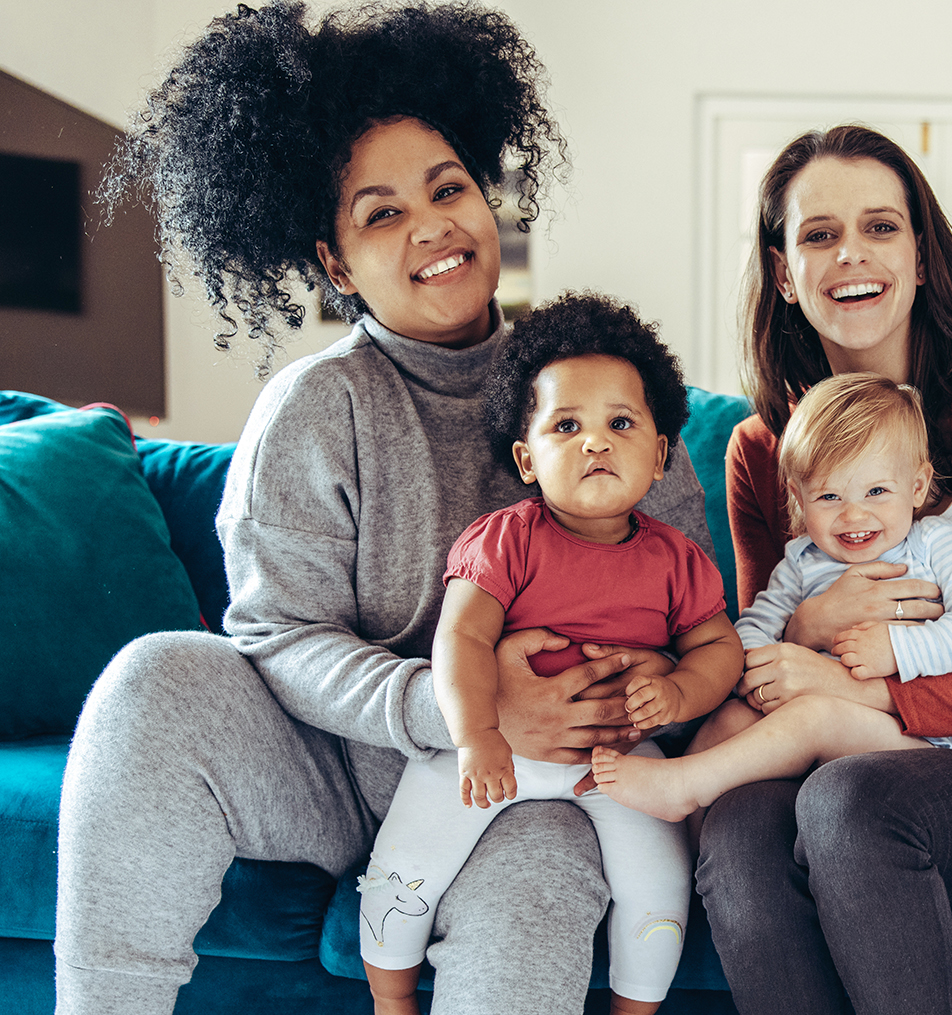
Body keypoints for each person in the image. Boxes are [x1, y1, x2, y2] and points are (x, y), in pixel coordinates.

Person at [58, 5, 711, 1013]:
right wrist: (458, 707)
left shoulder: (604, 394)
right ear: (332, 262)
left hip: (537, 786)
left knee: (543, 864)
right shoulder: (318, 408)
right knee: (153, 682)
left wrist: (649, 681)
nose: (431, 226)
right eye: (381, 213)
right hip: (342, 764)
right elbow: (276, 633)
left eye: (447, 189)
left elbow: (691, 613)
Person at [700, 123, 952, 1015]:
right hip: (829, 756)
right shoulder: (758, 450)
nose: (851, 253)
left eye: (880, 227)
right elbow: (762, 655)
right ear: (782, 272)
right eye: (818, 234)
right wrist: (809, 629)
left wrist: (870, 687)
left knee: (850, 802)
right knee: (735, 825)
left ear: (921, 257)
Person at [358, 293, 741, 1015]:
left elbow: (718, 645)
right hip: (491, 746)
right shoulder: (505, 538)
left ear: (659, 455)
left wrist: (683, 692)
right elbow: (461, 637)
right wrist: (475, 736)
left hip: (614, 759)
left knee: (660, 883)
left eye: (620, 424)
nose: (595, 442)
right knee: (407, 863)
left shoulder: (677, 559)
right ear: (527, 458)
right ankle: (391, 998)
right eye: (567, 425)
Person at [591, 372, 952, 822]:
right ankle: (693, 860)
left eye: (877, 491)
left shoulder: (935, 543)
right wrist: (777, 659)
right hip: (828, 729)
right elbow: (746, 638)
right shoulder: (801, 561)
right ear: (799, 497)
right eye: (829, 495)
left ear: (917, 486)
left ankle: (683, 787)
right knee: (732, 720)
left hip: (930, 739)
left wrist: (898, 649)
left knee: (813, 716)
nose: (854, 514)